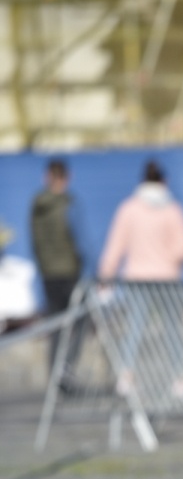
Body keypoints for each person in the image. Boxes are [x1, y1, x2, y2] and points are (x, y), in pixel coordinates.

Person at [98, 160, 183, 394]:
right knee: (173, 329)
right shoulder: (172, 210)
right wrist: (167, 259)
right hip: (167, 278)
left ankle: (126, 376)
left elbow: (115, 246)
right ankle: (179, 379)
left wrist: (105, 275)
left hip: (136, 278)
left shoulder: (129, 209)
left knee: (134, 327)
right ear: (164, 181)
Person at [30, 158, 84, 389]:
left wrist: (44, 266)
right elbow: (79, 240)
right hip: (69, 272)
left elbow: (36, 242)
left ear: (47, 177)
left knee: (55, 324)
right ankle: (67, 368)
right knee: (81, 319)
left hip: (48, 273)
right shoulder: (68, 205)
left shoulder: (37, 206)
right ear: (65, 178)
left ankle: (55, 373)